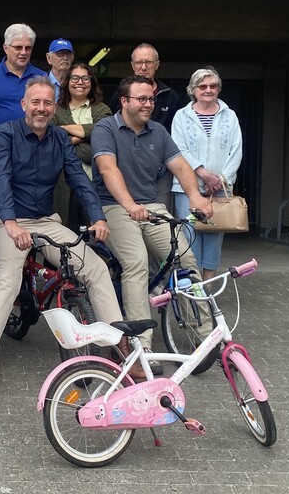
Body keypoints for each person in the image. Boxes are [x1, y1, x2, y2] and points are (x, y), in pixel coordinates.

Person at [0, 76, 131, 400]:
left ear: (52, 107)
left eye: (47, 103)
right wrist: (11, 224)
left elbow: (79, 180)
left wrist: (99, 216)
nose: (41, 108)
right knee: (7, 280)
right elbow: (0, 180)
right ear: (24, 105)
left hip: (47, 221)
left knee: (96, 268)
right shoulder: (6, 134)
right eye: (36, 102)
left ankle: (121, 347)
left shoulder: (59, 138)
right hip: (9, 221)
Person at [91, 75, 213, 362]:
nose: (149, 104)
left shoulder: (157, 131)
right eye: (142, 99)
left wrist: (195, 197)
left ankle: (208, 334)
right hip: (114, 207)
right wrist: (130, 204)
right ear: (124, 101)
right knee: (135, 264)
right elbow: (108, 170)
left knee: (185, 258)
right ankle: (141, 345)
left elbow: (181, 167)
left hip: (151, 206)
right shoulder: (105, 128)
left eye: (151, 99)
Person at [172, 67, 243, 281]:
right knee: (189, 235)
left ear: (219, 89)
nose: (208, 90)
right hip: (187, 186)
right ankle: (192, 284)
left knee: (214, 235)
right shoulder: (181, 116)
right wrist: (203, 174)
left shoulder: (230, 116)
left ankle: (208, 285)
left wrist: (220, 180)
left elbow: (236, 148)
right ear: (193, 90)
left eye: (213, 86)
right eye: (202, 86)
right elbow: (178, 149)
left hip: (220, 187)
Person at [113, 43, 186, 210]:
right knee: (128, 214)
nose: (143, 67)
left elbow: (176, 135)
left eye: (148, 62)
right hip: (127, 169)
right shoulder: (120, 96)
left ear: (157, 65)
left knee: (160, 218)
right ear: (132, 65)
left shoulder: (170, 96)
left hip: (162, 171)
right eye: (139, 63)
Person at [52, 62, 112, 229]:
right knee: (67, 232)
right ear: (67, 82)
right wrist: (88, 137)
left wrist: (67, 131)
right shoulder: (55, 110)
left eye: (85, 78)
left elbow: (103, 134)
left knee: (95, 234)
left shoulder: (102, 109)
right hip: (65, 184)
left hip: (95, 183)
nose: (80, 82)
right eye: (75, 78)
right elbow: (54, 141)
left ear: (92, 82)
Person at [0, 23, 46, 126]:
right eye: (18, 47)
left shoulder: (42, 77)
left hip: (34, 140)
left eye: (28, 48)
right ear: (5, 48)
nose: (24, 52)